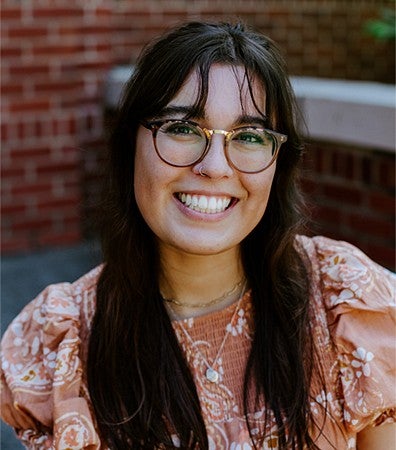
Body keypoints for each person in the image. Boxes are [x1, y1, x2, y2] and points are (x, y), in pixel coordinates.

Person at [1, 21, 395, 450]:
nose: (215, 167)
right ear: (129, 146)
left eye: (249, 136)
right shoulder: (64, 341)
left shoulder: (347, 304)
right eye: (183, 129)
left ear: (278, 164)